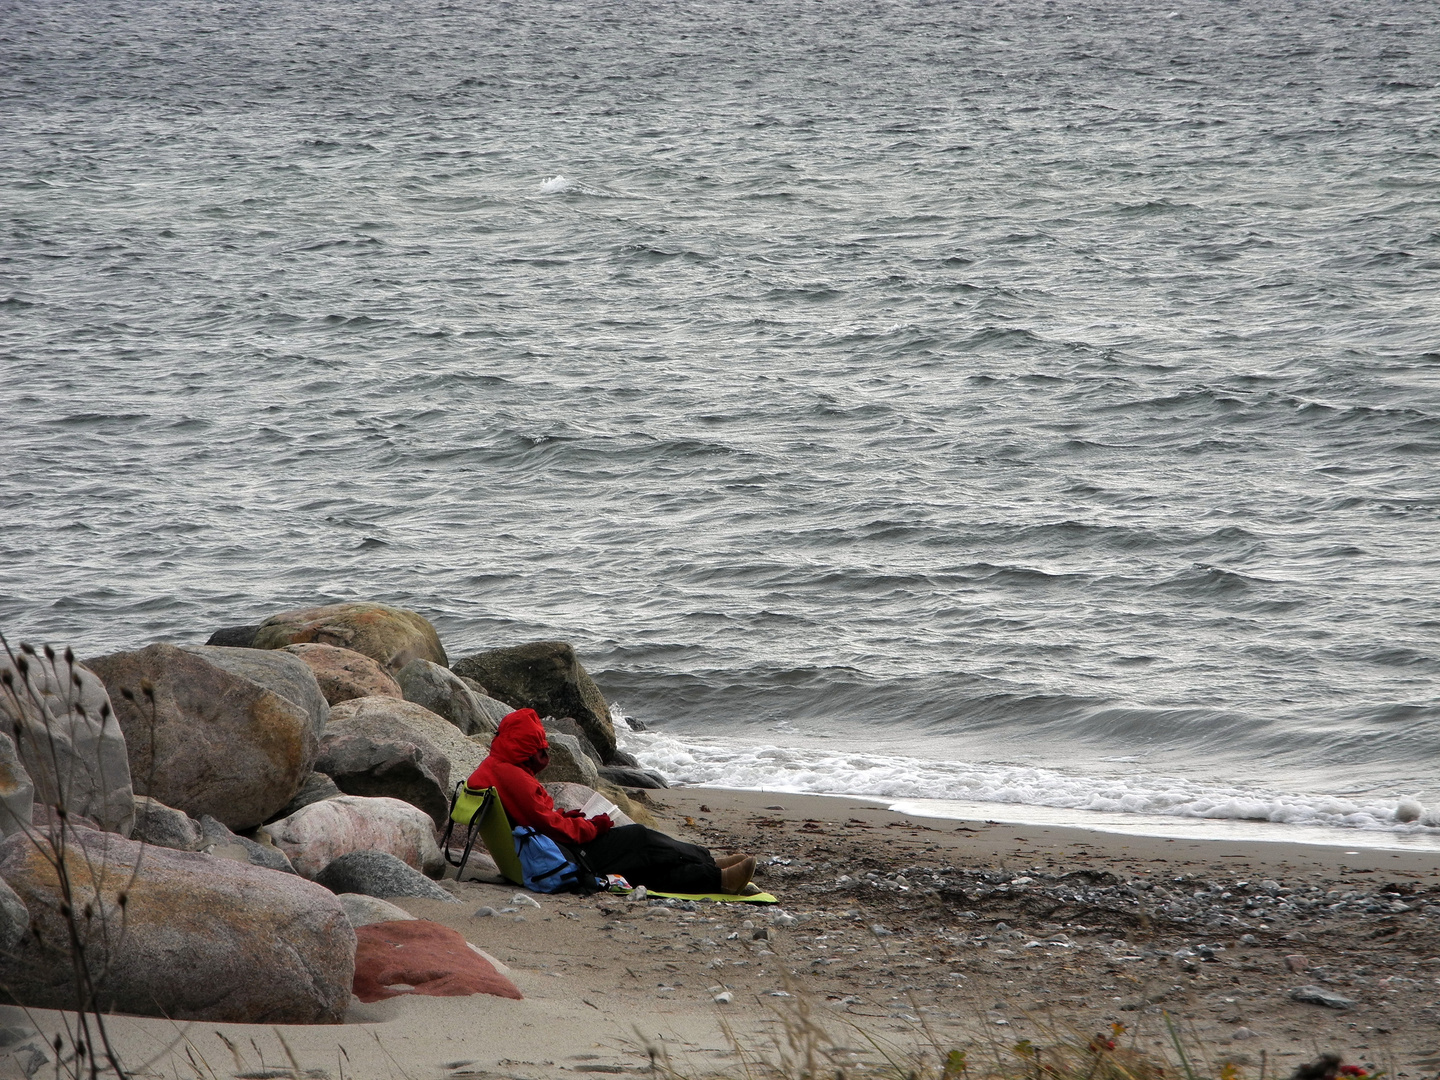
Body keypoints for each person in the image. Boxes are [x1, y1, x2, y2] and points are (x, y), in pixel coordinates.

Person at [468, 708, 756, 894]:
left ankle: (715, 875)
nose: (544, 755)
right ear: (527, 746)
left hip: (539, 855)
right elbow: (549, 827)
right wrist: (594, 827)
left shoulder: (495, 768)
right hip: (561, 858)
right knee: (639, 837)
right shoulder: (513, 776)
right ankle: (709, 864)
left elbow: (536, 818)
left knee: (640, 867)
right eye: (541, 748)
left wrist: (571, 818)